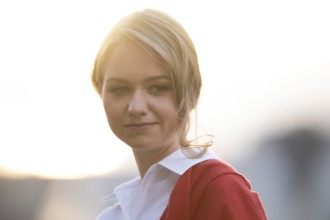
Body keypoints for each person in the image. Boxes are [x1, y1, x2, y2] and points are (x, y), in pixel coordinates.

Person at [91, 8, 267, 220]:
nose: (136, 107)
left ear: (191, 93)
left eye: (158, 87)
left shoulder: (219, 188)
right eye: (120, 89)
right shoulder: (112, 216)